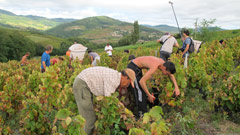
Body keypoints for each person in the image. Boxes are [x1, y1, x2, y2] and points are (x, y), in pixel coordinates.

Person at [72, 67, 135, 135]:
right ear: (125, 77)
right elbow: (109, 100)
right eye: (128, 83)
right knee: (89, 119)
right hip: (82, 84)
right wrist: (123, 110)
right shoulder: (113, 80)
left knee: (89, 116)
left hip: (84, 84)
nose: (127, 86)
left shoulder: (115, 77)